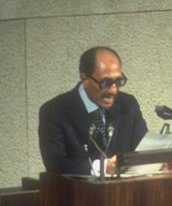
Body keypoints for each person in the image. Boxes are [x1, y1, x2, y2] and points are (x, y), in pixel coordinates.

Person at [39, 46, 148, 175]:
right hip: (79, 193)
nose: (113, 90)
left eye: (118, 81)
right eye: (105, 83)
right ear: (84, 78)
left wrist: (160, 162)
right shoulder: (54, 111)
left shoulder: (128, 104)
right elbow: (55, 164)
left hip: (125, 193)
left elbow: (143, 148)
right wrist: (102, 167)